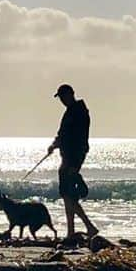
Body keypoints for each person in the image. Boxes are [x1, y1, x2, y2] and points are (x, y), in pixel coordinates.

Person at [48, 84, 98, 244]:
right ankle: (71, 231)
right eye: (60, 97)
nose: (62, 100)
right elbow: (63, 134)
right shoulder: (71, 112)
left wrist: (74, 164)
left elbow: (77, 138)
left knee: (68, 195)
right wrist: (55, 143)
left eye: (63, 96)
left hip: (73, 157)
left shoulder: (79, 112)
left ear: (71, 94)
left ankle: (89, 227)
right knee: (67, 194)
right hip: (67, 156)